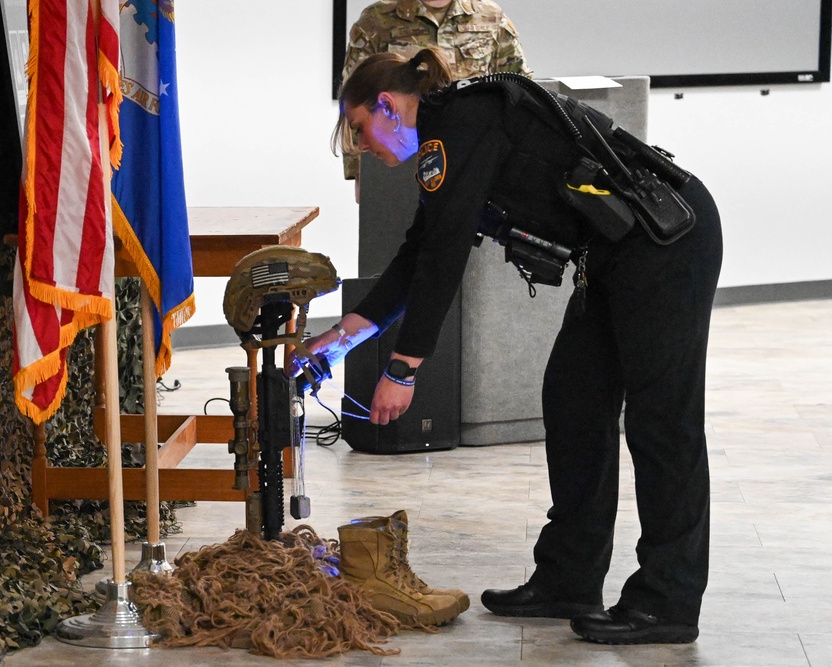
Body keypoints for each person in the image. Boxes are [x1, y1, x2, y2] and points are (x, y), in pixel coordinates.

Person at [299, 48, 723, 645]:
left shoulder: (461, 125)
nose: (361, 146)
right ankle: (568, 579)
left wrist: (403, 367)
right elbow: (423, 246)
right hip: (617, 256)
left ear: (388, 106)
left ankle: (668, 600)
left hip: (667, 243)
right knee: (574, 401)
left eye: (360, 129)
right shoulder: (449, 135)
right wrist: (348, 332)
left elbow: (445, 251)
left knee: (663, 423)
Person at [341, 0, 531, 186]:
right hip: (398, 168)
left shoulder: (491, 17)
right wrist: (359, 172)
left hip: (474, 163)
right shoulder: (377, 20)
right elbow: (354, 100)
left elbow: (520, 91)